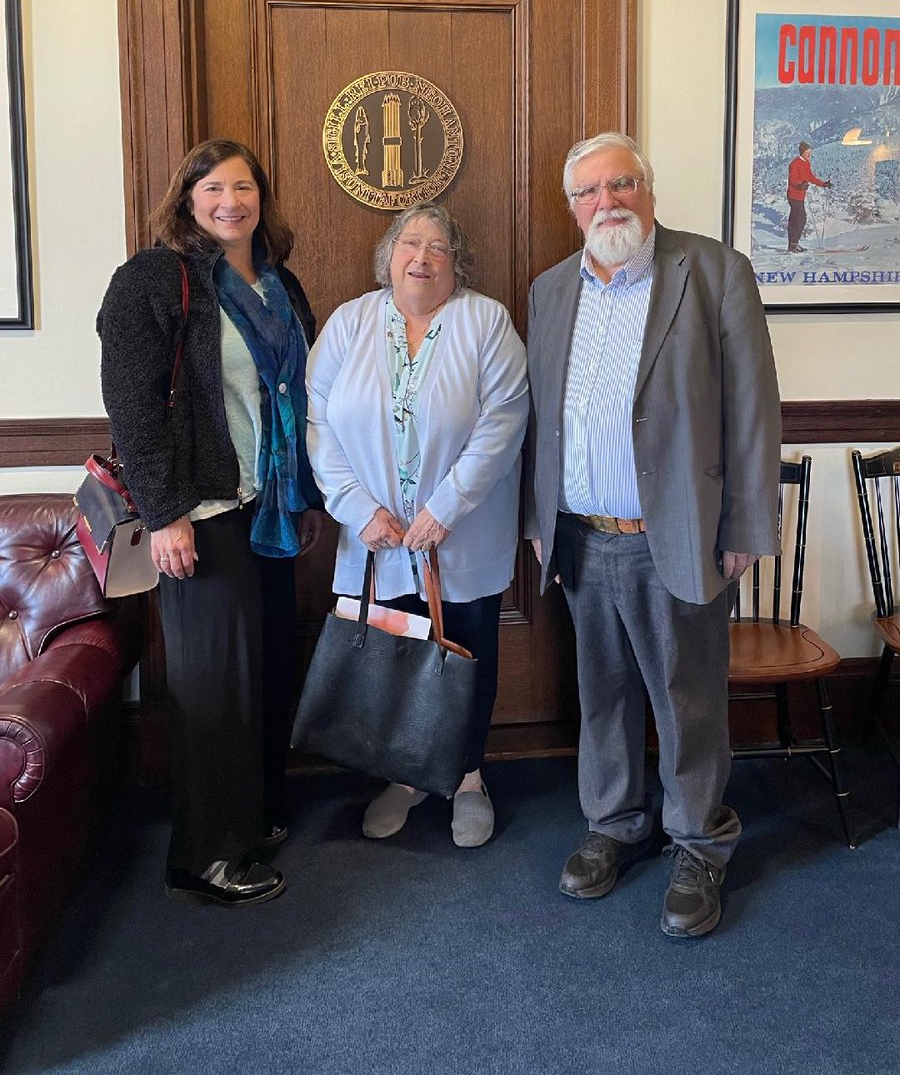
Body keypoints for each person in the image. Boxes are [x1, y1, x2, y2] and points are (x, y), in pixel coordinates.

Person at [525, 132, 781, 937]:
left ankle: (701, 842)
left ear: (649, 189)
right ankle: (614, 824)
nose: (607, 202)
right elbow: (542, 417)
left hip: (677, 532)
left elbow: (752, 410)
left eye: (622, 183)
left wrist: (745, 523)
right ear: (571, 208)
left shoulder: (712, 272)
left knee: (686, 698)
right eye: (589, 191)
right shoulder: (550, 289)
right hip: (580, 536)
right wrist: (540, 521)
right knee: (600, 694)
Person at [97, 138, 324, 906]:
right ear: (187, 199)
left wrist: (309, 494)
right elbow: (132, 406)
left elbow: (298, 393)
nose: (232, 201)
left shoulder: (277, 283)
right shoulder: (156, 280)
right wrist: (166, 515)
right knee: (212, 686)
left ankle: (248, 819)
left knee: (259, 675)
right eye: (214, 188)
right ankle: (204, 855)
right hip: (201, 511)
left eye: (245, 187)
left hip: (268, 510)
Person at [305, 201, 528, 847]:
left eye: (437, 247)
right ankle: (402, 777)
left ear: (457, 264)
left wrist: (445, 508)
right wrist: (356, 508)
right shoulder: (350, 323)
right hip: (376, 541)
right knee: (393, 656)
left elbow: (505, 420)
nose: (422, 257)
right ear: (389, 258)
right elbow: (318, 423)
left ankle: (466, 780)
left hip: (459, 538)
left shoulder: (485, 323)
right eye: (410, 244)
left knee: (466, 657)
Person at [786, 141, 831, 252]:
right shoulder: (795, 163)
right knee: (801, 219)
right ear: (802, 152)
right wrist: (800, 185)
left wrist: (823, 184)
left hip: (800, 196)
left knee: (794, 220)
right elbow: (793, 180)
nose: (808, 155)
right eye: (806, 152)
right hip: (794, 195)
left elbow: (810, 177)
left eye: (809, 152)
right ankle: (794, 245)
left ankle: (792, 245)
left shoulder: (806, 163)